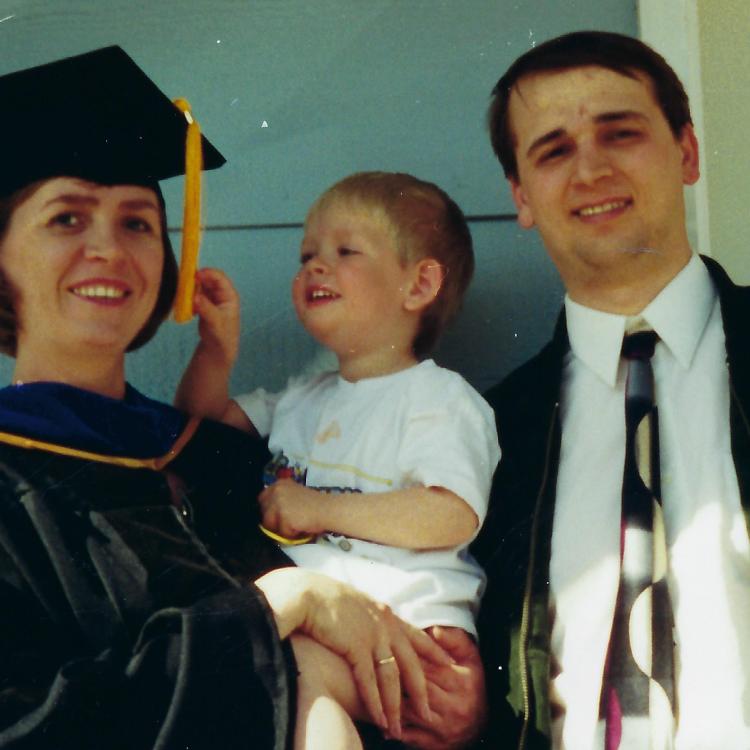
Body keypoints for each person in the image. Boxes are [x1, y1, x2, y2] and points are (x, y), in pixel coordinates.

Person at [0, 47, 465, 750]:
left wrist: (433, 678)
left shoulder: (221, 456)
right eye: (67, 219)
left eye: (138, 223)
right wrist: (278, 605)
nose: (111, 249)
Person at [472, 30, 750, 749]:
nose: (590, 169)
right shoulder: (489, 432)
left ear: (686, 154)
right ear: (522, 197)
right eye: (554, 151)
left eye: (619, 133)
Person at [175, 171, 501, 749]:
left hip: (412, 632)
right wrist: (216, 350)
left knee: (296, 682)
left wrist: (318, 508)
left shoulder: (439, 400)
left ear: (419, 284)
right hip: (330, 624)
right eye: (307, 255)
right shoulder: (303, 397)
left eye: (345, 251)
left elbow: (448, 514)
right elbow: (200, 432)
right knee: (283, 679)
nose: (315, 267)